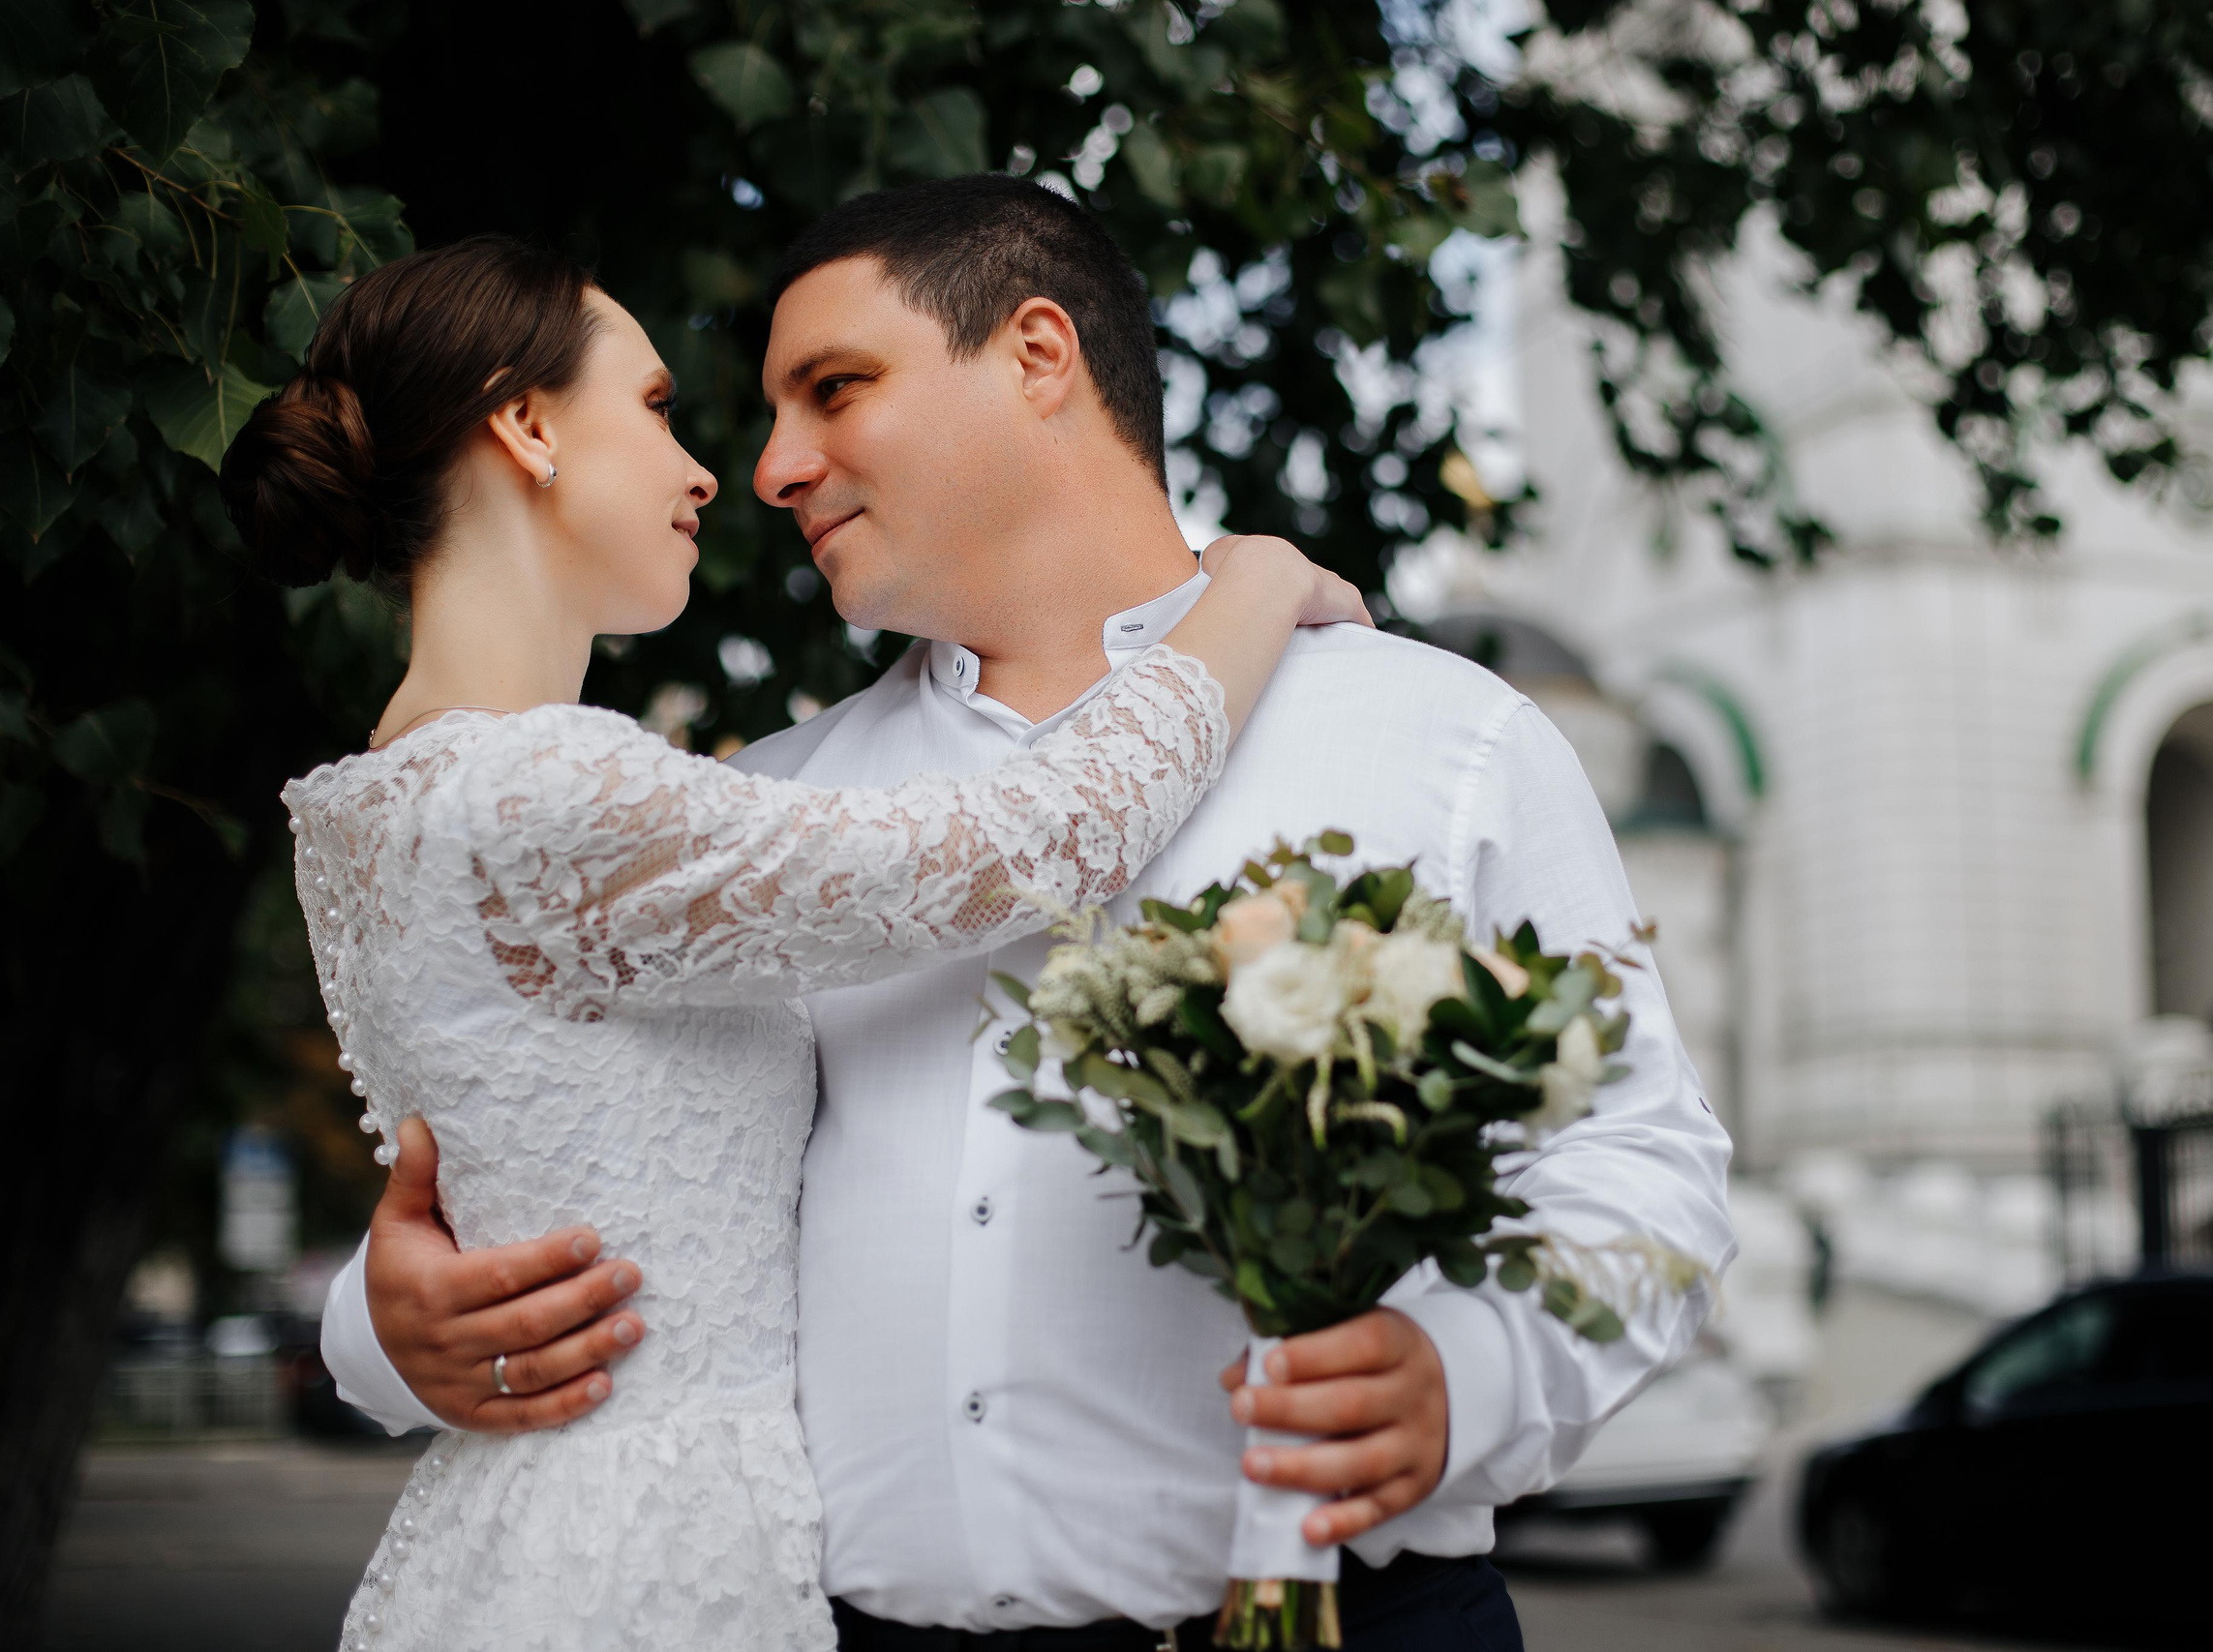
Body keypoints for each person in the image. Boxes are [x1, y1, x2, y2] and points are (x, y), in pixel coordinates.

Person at [320, 180, 1737, 1649]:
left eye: (835, 390)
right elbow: (611, 1154)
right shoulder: (767, 805)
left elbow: (1646, 1166)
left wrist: (1472, 1377)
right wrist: (389, 1329)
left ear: (1038, 356)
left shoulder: (1446, 741)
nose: (771, 468)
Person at [223, 232, 1367, 1652]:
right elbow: (1038, 844)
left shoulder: (368, 806)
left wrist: (385, 1330)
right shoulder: (550, 792)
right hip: (652, 1548)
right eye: (651, 409)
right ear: (522, 425)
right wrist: (1250, 581)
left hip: (537, 1528)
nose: (712, 472)